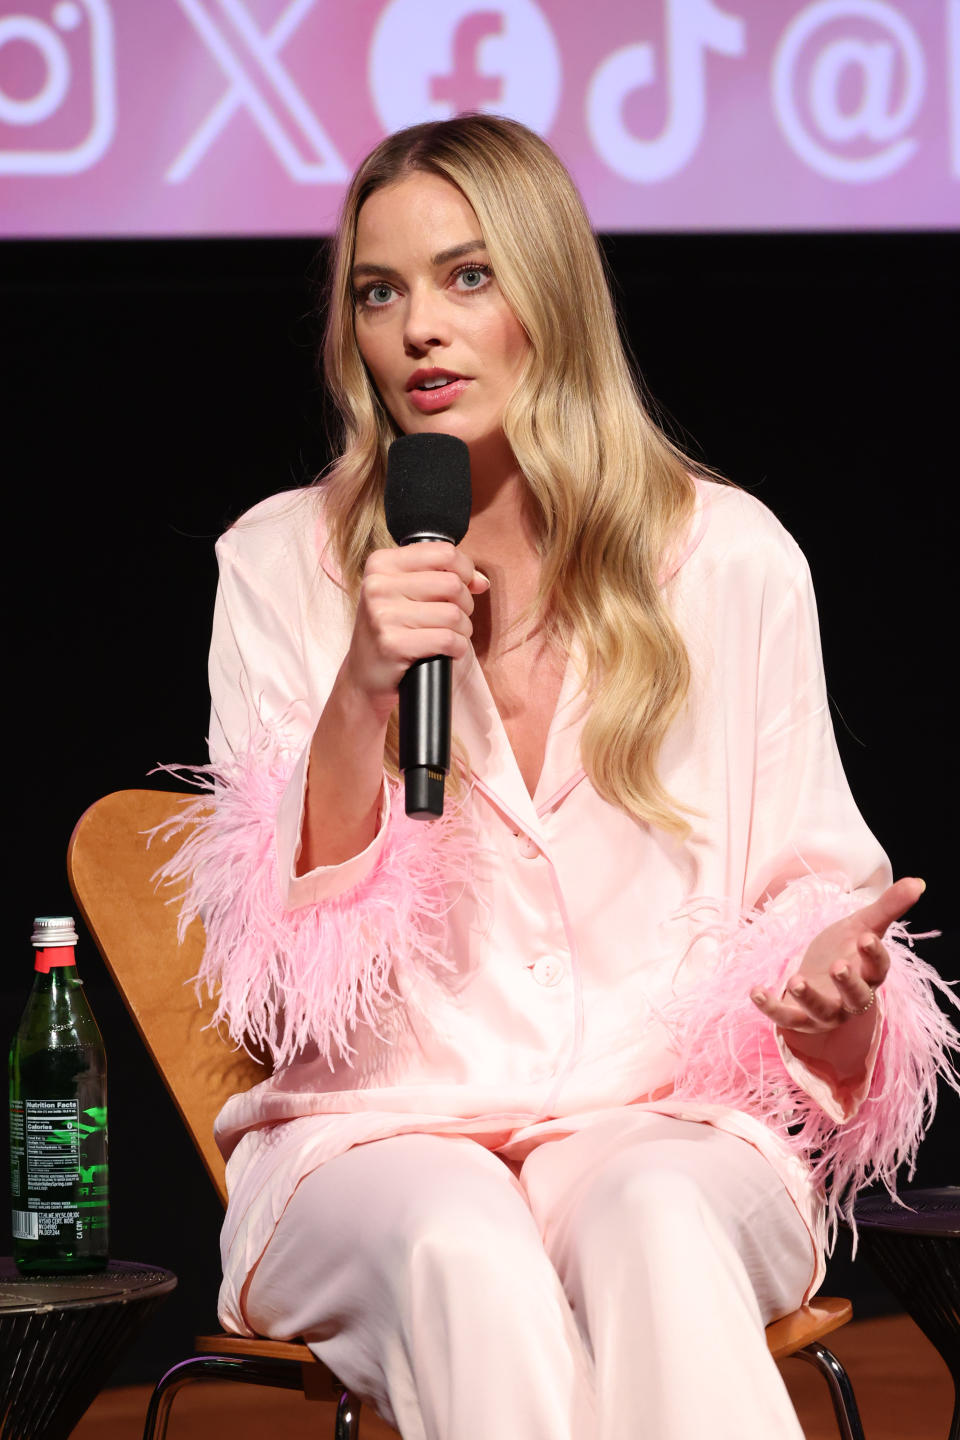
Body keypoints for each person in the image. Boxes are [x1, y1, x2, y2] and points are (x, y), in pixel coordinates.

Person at [163, 115, 958, 1440]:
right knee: (465, 1247)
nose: (420, 327)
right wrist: (365, 686)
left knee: (652, 1216)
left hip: (662, 1120)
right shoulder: (279, 566)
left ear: (550, 297)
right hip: (375, 1137)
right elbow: (278, 977)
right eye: (381, 290)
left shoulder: (733, 561)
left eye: (467, 277)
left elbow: (812, 889)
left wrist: (819, 981)